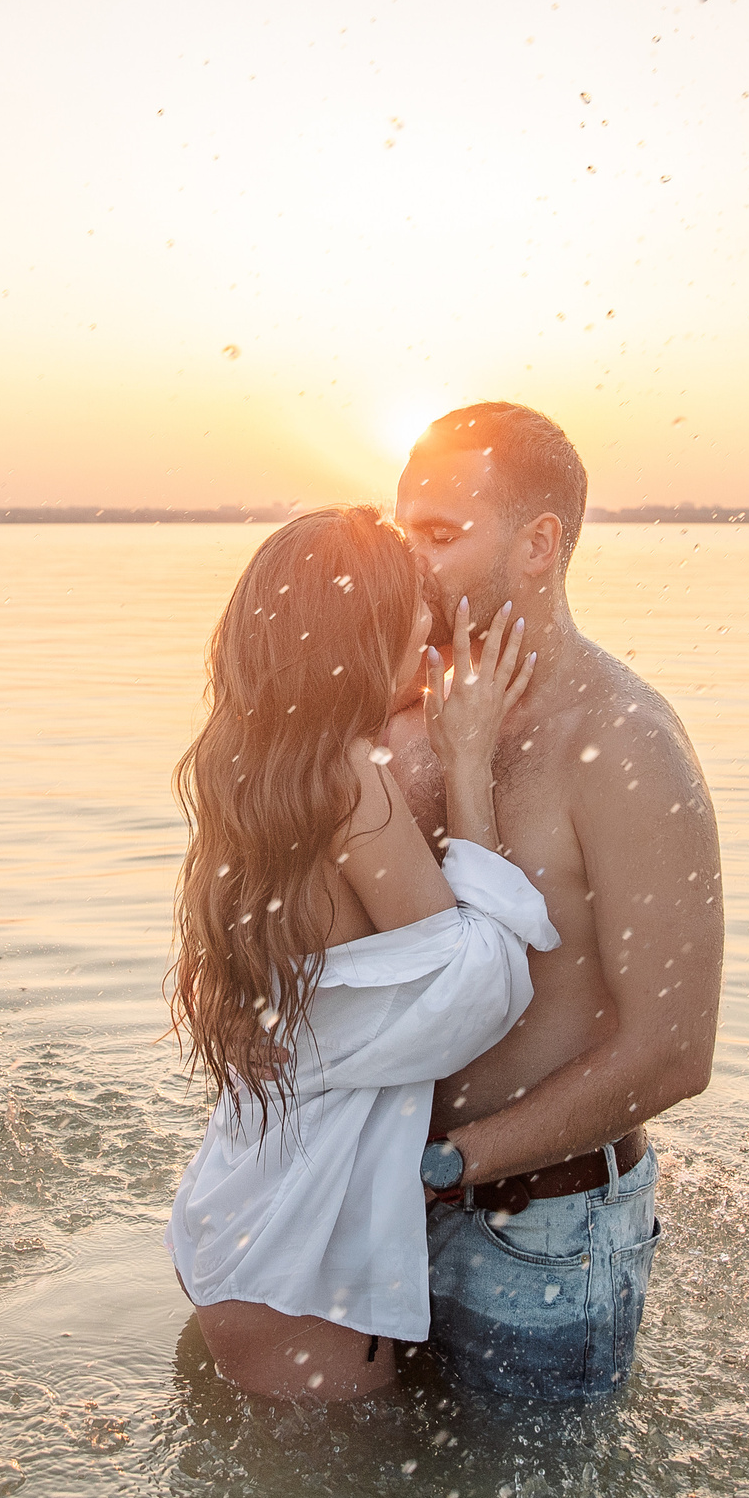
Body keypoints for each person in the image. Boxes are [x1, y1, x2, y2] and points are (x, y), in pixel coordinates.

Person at [163, 506, 555, 1400]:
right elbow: (475, 989)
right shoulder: (349, 779)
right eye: (417, 645)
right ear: (355, 645)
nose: (431, 671)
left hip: (238, 1225)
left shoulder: (247, 766)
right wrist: (466, 763)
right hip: (300, 1275)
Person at [386, 402, 725, 1401]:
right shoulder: (405, 710)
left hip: (546, 1238)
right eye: (401, 526)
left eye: (438, 536)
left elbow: (674, 1051)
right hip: (387, 1210)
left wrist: (444, 1164)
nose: (406, 559)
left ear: (537, 546)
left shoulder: (625, 744)